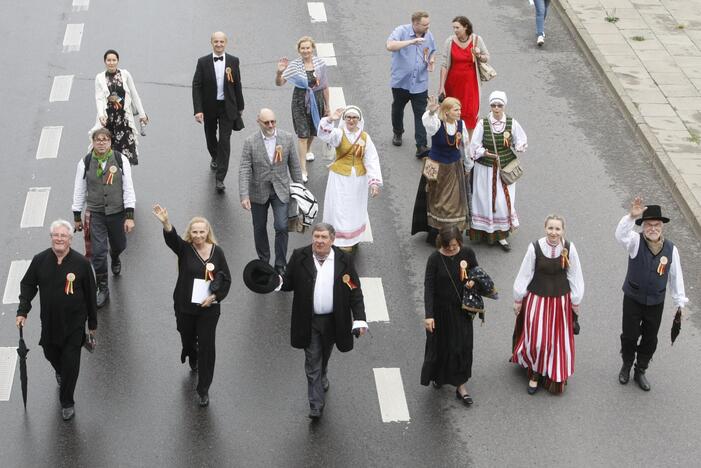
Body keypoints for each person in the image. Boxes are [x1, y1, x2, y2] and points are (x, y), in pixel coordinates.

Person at [279, 223, 368, 420]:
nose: (319, 241)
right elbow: (288, 282)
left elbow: (354, 291)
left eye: (323, 237)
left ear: (332, 239)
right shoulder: (299, 256)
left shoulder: (344, 260)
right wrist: (275, 282)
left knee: (324, 353)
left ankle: (323, 372)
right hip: (308, 320)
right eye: (316, 236)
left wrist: (360, 319)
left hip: (334, 321)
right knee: (312, 360)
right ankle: (316, 404)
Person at [16, 220, 97, 421]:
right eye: (56, 235)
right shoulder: (40, 260)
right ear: (51, 238)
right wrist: (22, 311)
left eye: (63, 236)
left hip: (74, 325)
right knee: (49, 352)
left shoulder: (81, 264)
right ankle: (60, 371)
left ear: (70, 239)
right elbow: (27, 285)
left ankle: (67, 401)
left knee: (71, 363)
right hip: (50, 323)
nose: (59, 239)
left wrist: (92, 325)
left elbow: (90, 297)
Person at [152, 204, 231, 407]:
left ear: (208, 233)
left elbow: (227, 279)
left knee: (207, 347)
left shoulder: (218, 252)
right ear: (190, 233)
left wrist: (214, 297)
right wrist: (166, 222)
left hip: (208, 309)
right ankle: (190, 352)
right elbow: (172, 240)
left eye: (202, 232)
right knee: (186, 337)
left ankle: (203, 389)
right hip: (185, 305)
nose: (198, 236)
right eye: (194, 232)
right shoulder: (185, 249)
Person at [615, 197, 687, 391]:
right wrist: (631, 216)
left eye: (656, 225)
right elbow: (620, 235)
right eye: (648, 224)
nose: (652, 228)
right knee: (629, 336)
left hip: (656, 302)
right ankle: (627, 365)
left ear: (662, 226)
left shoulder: (672, 250)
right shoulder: (634, 241)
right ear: (643, 226)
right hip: (633, 298)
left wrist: (680, 303)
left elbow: (675, 277)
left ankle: (641, 370)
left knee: (649, 339)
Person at [512, 215, 584, 394]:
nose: (554, 232)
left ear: (563, 231)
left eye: (557, 229)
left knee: (556, 341)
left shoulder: (569, 248)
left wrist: (575, 301)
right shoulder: (534, 248)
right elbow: (525, 274)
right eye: (550, 228)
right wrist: (518, 299)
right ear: (545, 228)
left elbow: (574, 275)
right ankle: (535, 373)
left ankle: (553, 372)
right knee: (537, 340)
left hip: (560, 301)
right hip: (537, 300)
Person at [72, 127, 136, 308]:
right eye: (98, 139)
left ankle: (115, 256)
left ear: (110, 142)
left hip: (117, 213)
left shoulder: (120, 160)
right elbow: (79, 190)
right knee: (98, 253)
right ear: (92, 142)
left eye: (105, 139)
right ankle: (103, 288)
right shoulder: (84, 162)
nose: (101, 142)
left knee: (119, 245)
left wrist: (129, 216)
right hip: (95, 213)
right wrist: (77, 215)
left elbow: (128, 188)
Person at [239, 108, 303, 275]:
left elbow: (295, 166)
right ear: (258, 122)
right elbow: (245, 169)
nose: (270, 125)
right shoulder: (250, 142)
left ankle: (280, 263)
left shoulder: (287, 138)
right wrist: (244, 195)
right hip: (258, 192)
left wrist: (301, 191)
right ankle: (264, 261)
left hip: (281, 189)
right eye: (266, 122)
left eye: (273, 122)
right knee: (259, 227)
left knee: (282, 226)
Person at [421, 226, 479, 405]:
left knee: (461, 346)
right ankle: (439, 376)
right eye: (448, 246)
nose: (452, 249)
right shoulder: (434, 259)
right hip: (440, 312)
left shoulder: (467, 253)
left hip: (461, 310)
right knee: (441, 346)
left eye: (455, 245)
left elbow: (477, 273)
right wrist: (429, 315)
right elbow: (429, 288)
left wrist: (472, 283)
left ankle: (461, 386)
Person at [468, 90, 527, 251]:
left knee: (502, 201)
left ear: (504, 106)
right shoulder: (483, 123)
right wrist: (484, 153)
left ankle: (501, 235)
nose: (496, 108)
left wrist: (519, 146)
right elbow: (474, 145)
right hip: (485, 168)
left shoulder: (511, 123)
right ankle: (482, 232)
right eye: (493, 105)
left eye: (499, 105)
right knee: (484, 199)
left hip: (504, 168)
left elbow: (521, 140)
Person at [317, 105, 382, 251]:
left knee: (355, 208)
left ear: (359, 120)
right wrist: (330, 119)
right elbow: (323, 134)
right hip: (339, 178)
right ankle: (339, 239)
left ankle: (352, 238)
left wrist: (374, 182)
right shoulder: (339, 134)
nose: (351, 120)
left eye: (354, 118)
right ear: (344, 119)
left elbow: (371, 160)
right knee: (339, 207)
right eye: (348, 117)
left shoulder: (365, 137)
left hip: (358, 180)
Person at [411, 96, 472, 245]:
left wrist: (468, 165)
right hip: (435, 166)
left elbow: (465, 146)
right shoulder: (437, 124)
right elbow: (428, 125)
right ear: (446, 112)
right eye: (456, 110)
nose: (459, 112)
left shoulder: (460, 125)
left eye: (460, 109)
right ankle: (436, 232)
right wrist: (431, 112)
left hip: (453, 167)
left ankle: (451, 233)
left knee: (452, 202)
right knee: (434, 199)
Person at [192, 31, 245, 193]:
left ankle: (220, 178)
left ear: (226, 43)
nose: (219, 44)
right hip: (209, 107)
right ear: (211, 43)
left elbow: (237, 84)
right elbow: (196, 86)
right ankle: (215, 157)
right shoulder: (202, 62)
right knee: (210, 137)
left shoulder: (233, 61)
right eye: (216, 42)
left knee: (225, 142)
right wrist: (198, 110)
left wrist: (240, 107)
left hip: (227, 107)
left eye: (222, 42)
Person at [275, 36, 329, 183]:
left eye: (308, 48)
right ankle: (302, 169)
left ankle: (308, 150)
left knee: (312, 131)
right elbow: (280, 83)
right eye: (302, 48)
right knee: (302, 135)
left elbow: (324, 86)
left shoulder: (320, 64)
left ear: (313, 48)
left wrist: (327, 106)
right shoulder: (294, 66)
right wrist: (280, 72)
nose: (306, 50)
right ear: (299, 50)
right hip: (300, 101)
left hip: (316, 100)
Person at [386, 10, 436, 158]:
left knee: (421, 114)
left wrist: (432, 60)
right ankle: (398, 132)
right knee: (398, 108)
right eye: (425, 25)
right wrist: (411, 42)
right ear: (415, 23)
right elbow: (390, 45)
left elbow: (432, 51)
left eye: (429, 24)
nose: (428, 27)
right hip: (401, 82)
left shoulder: (429, 35)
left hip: (420, 83)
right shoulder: (401, 31)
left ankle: (421, 146)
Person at [91, 49, 147, 166]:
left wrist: (142, 114)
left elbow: (134, 94)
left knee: (125, 154)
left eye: (114, 60)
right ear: (105, 62)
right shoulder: (100, 78)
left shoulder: (125, 74)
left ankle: (125, 179)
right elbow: (99, 98)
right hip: (108, 120)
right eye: (109, 60)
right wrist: (101, 115)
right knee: (105, 150)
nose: (111, 63)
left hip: (124, 119)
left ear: (118, 61)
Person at [437, 16, 490, 142]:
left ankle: (469, 144)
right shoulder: (450, 42)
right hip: (453, 84)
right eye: (453, 27)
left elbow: (487, 57)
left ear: (466, 27)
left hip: (470, 85)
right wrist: (441, 86)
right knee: (451, 112)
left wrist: (478, 55)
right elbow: (444, 64)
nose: (455, 30)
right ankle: (451, 140)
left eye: (457, 27)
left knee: (470, 113)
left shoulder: (477, 40)